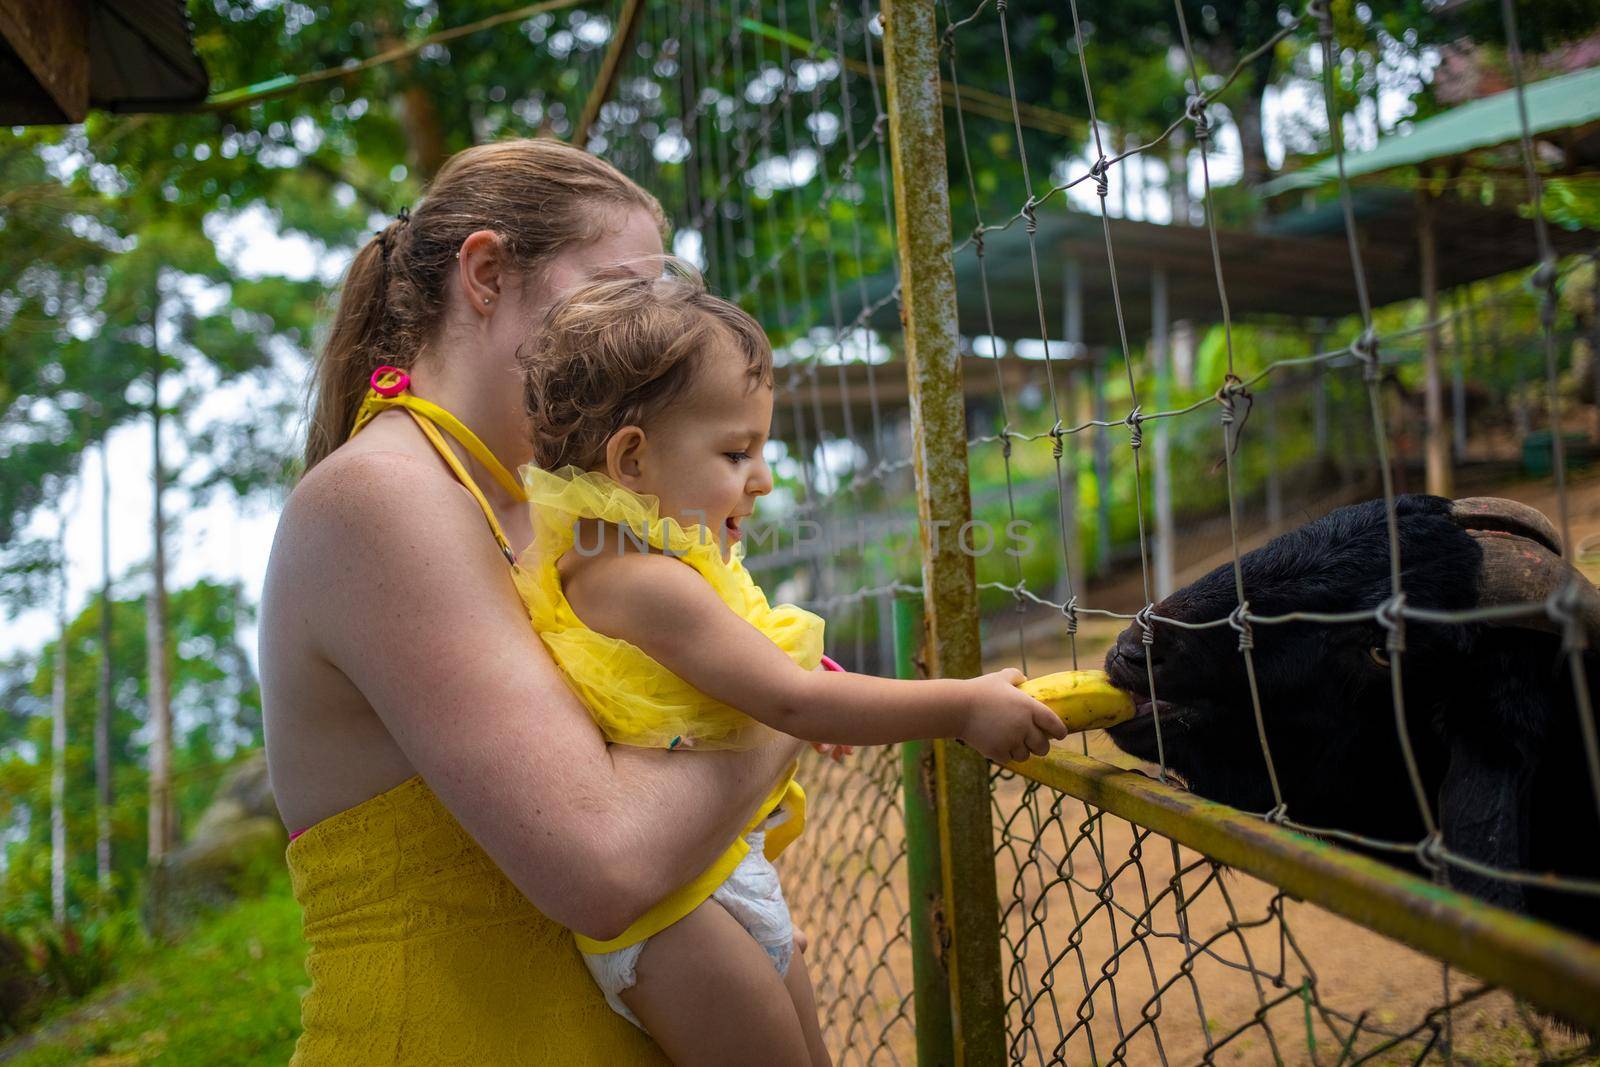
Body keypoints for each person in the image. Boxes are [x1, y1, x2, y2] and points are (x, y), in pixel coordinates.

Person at [260, 139, 814, 1065]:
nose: (648, 330)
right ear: (485, 275)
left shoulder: (550, 508)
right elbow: (606, 863)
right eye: (616, 290)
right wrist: (786, 693)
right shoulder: (386, 494)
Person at [512, 264, 1068, 1066]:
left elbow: (751, 668)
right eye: (738, 451)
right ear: (632, 460)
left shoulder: (637, 559)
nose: (764, 479)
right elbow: (793, 703)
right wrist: (963, 707)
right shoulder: (641, 578)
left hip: (715, 874)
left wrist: (828, 684)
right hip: (676, 917)